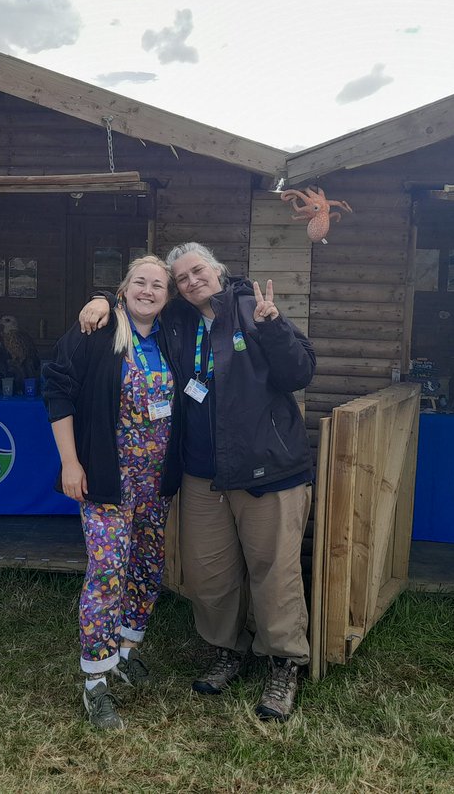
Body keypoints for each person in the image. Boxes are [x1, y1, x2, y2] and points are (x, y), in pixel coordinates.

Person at [79, 242, 315, 721]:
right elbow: (140, 299)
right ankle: (227, 651)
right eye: (180, 278)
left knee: (275, 572)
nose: (190, 282)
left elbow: (299, 372)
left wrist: (275, 326)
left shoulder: (253, 309)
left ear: (219, 271)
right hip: (204, 474)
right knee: (209, 574)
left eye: (197, 271)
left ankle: (282, 664)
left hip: (266, 469)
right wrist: (103, 296)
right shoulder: (179, 322)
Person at [43, 255, 184, 731]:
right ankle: (95, 679)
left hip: (154, 483)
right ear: (123, 290)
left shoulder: (169, 338)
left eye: (158, 285)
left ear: (167, 297)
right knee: (107, 570)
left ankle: (125, 651)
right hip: (107, 480)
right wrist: (70, 461)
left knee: (146, 566)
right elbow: (58, 390)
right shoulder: (98, 333)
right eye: (140, 282)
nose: (149, 290)